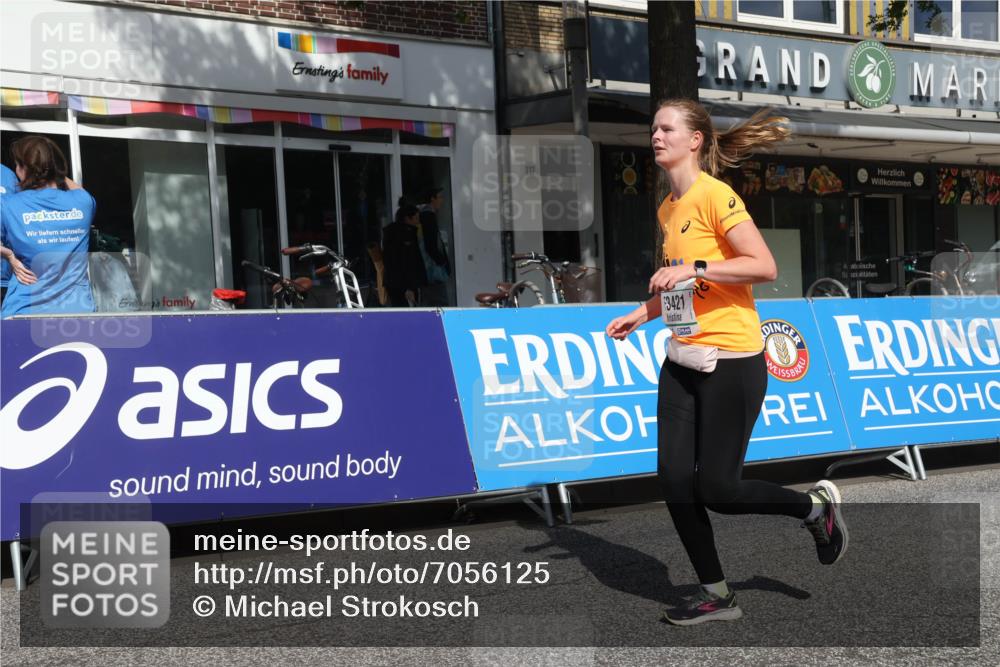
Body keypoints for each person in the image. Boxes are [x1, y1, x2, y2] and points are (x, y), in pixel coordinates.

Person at [605, 99, 848, 626]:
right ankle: (718, 595)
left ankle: (813, 510)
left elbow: (762, 265)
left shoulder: (717, 196)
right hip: (682, 358)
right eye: (653, 128)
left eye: (667, 128)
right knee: (672, 479)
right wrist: (642, 314)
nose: (656, 136)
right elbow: (681, 286)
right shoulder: (668, 206)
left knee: (719, 490)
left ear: (694, 140)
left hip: (733, 361)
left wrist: (693, 265)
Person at [1, 136, 96, 318]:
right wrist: (53, 170)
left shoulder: (8, 205)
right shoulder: (83, 202)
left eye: (18, 165)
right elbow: (79, 190)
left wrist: (9, 255)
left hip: (23, 311)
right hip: (77, 312)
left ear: (24, 168)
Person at [381, 199, 427, 307]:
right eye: (416, 217)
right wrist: (408, 287)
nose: (418, 221)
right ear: (407, 218)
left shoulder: (390, 232)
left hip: (393, 282)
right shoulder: (406, 235)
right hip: (404, 283)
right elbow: (406, 262)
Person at [417, 187, 450, 307]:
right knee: (439, 302)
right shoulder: (428, 216)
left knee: (428, 301)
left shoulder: (422, 214)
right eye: (440, 197)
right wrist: (442, 262)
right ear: (432, 198)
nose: (442, 201)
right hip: (431, 268)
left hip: (427, 267)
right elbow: (430, 245)